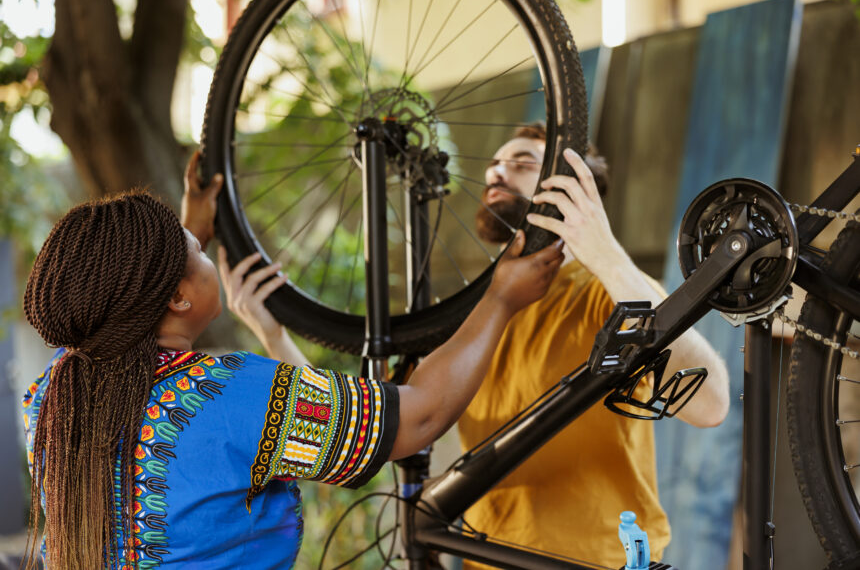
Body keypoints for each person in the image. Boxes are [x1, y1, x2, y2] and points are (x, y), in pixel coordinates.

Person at [20, 151, 564, 570]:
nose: (208, 255)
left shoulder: (50, 397)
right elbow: (418, 418)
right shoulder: (231, 395)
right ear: (177, 298)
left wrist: (191, 230)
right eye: (201, 254)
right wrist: (500, 299)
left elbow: (119, 307)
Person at [458, 123, 731, 569]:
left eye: (522, 162)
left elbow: (710, 404)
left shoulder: (605, 291)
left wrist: (604, 254)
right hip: (482, 560)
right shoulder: (474, 313)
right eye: (493, 166)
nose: (495, 173)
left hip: (599, 560)